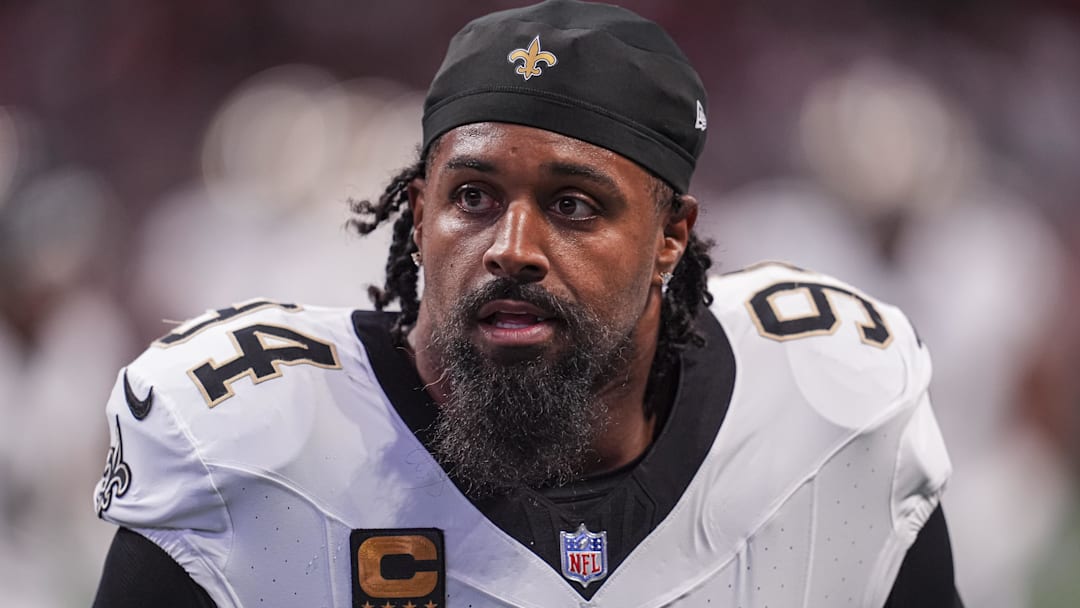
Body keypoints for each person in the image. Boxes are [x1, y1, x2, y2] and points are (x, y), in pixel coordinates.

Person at [90, 1, 962, 606]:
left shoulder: (829, 406)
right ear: (418, 212)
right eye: (472, 196)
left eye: (573, 205)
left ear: (671, 236)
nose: (511, 247)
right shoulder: (250, 439)